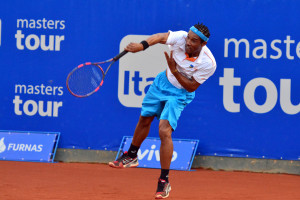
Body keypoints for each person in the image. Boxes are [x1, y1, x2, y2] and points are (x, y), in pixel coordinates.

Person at [109, 23, 216, 199]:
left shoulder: (208, 63)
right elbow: (159, 37)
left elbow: (191, 87)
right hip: (162, 83)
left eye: (194, 40)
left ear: (203, 44)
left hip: (180, 93)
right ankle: (131, 155)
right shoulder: (181, 38)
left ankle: (164, 181)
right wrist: (141, 46)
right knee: (144, 119)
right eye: (188, 37)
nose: (188, 42)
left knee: (164, 131)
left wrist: (174, 69)